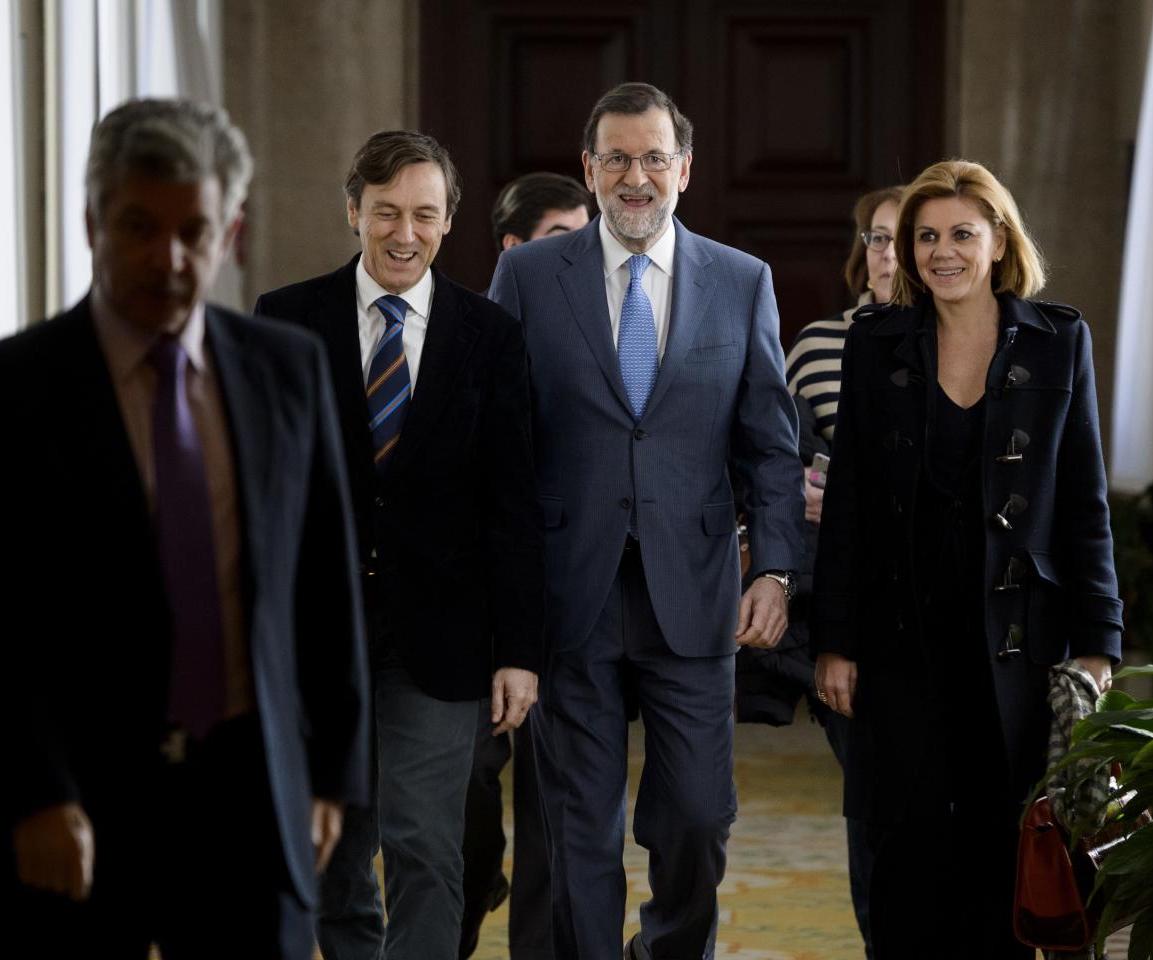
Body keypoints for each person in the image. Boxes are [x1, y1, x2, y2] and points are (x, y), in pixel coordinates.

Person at [0, 97, 369, 959]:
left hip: (254, 799)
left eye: (194, 230)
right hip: (74, 811)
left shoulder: (288, 370)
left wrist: (328, 780)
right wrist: (34, 793)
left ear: (232, 230)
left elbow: (324, 582)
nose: (167, 258)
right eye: (139, 226)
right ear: (91, 220)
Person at [487, 81, 803, 960]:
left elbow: (770, 444)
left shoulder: (741, 283)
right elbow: (500, 441)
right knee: (578, 833)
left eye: (654, 158)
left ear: (685, 170)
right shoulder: (527, 276)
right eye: (618, 158)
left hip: (694, 596)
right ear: (588, 170)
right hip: (568, 596)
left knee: (698, 819)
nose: (637, 177)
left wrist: (774, 568)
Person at [811, 159, 1123, 959]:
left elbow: (1085, 499)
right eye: (925, 236)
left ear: (998, 241)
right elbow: (846, 502)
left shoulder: (1060, 342)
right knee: (904, 857)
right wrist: (834, 639)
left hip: (1016, 640)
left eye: (961, 234)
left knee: (1002, 851)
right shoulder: (877, 345)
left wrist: (1098, 643)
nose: (941, 252)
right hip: (897, 639)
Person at [253, 131, 544, 960]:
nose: (403, 233)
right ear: (354, 212)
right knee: (335, 852)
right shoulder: (285, 320)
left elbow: (512, 504)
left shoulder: (488, 336)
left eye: (423, 213)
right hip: (316, 636)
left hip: (444, 637)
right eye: (385, 212)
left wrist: (520, 649)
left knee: (424, 842)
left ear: (450, 220)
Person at [753, 184, 904, 960]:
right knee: (874, 807)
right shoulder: (817, 345)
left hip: (953, 614)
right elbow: (773, 460)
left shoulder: (984, 341)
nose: (886, 253)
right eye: (875, 238)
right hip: (850, 612)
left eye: (901, 236)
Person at [461, 170, 594, 960]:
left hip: (569, 602)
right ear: (513, 252)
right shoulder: (460, 339)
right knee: (468, 803)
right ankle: (477, 886)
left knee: (557, 807)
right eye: (560, 242)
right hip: (472, 614)